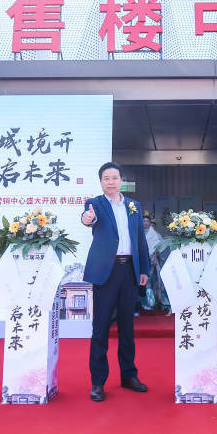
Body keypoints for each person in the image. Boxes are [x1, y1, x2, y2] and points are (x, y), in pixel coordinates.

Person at [81, 162, 150, 402]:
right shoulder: (95, 204)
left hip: (129, 270)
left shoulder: (134, 206)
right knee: (100, 327)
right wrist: (87, 218)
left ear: (121, 180)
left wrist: (144, 269)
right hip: (106, 272)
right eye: (106, 178)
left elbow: (140, 239)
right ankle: (98, 382)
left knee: (127, 327)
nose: (110, 182)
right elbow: (88, 219)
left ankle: (129, 376)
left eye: (114, 177)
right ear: (101, 182)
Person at [143, 213, 163, 310]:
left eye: (147, 221)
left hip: (152, 261)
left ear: (150, 223)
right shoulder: (139, 233)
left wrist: (155, 258)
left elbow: (158, 248)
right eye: (143, 221)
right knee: (144, 282)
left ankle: (156, 302)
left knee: (154, 281)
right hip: (142, 260)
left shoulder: (155, 234)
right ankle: (145, 303)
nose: (145, 223)